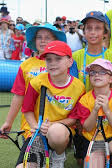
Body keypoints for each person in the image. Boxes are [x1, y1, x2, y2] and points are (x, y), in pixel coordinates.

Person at [15, 40, 85, 168]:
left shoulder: (79, 87)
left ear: (70, 62)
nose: (52, 63)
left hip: (61, 133)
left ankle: (58, 156)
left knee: (56, 132)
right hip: (38, 131)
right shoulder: (37, 82)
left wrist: (52, 125)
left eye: (58, 59)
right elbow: (27, 109)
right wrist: (36, 126)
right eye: (49, 59)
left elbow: (74, 118)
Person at [0, 23, 71, 141]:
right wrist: (8, 122)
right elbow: (18, 96)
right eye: (39, 37)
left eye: (47, 37)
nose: (43, 41)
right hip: (30, 127)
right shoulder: (25, 65)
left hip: (57, 124)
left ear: (55, 40)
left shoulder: (63, 63)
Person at [75, 58, 112, 167]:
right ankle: (99, 156)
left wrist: (107, 111)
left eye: (102, 72)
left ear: (110, 79)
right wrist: (95, 110)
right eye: (93, 72)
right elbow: (87, 128)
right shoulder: (84, 100)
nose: (97, 75)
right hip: (93, 140)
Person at [72, 11, 112, 92]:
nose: (93, 32)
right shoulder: (75, 57)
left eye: (97, 28)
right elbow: (73, 87)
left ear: (105, 33)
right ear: (84, 32)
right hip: (81, 103)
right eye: (89, 28)